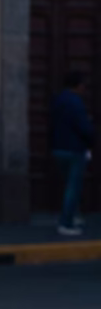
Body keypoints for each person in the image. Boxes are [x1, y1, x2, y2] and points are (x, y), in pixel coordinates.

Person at [50, 71, 95, 237]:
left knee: (68, 185)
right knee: (73, 188)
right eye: (83, 85)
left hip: (58, 148)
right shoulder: (76, 103)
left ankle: (73, 216)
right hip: (74, 149)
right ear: (77, 86)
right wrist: (91, 138)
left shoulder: (57, 100)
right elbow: (84, 128)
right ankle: (66, 223)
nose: (84, 88)